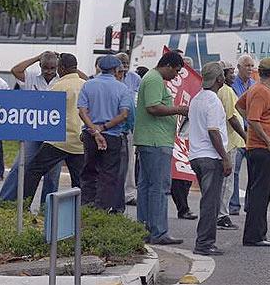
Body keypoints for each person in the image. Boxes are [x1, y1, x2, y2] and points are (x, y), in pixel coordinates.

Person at [134, 51, 188, 245]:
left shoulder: (152, 78)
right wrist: (178, 109)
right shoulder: (155, 79)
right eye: (176, 70)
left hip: (151, 140)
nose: (176, 75)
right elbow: (153, 107)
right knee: (159, 187)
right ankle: (158, 232)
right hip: (155, 141)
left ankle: (145, 228)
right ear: (167, 65)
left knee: (147, 186)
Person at [0, 51, 62, 202]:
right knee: (19, 166)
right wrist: (36, 57)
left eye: (53, 68)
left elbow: (84, 79)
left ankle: (47, 208)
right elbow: (15, 70)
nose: (49, 71)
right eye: (45, 67)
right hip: (33, 131)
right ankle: (5, 200)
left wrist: (63, 60)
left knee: (52, 175)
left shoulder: (62, 79)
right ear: (40, 65)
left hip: (55, 133)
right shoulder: (31, 77)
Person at [23, 54, 85, 200]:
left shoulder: (58, 86)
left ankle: (25, 206)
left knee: (33, 170)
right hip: (80, 141)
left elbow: (49, 113)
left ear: (61, 68)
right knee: (79, 181)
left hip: (59, 140)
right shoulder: (86, 84)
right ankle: (82, 214)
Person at [236, 57, 270, 247]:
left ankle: (259, 233)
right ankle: (254, 235)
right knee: (260, 193)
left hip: (261, 146)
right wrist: (267, 140)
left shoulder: (257, 89)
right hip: (263, 148)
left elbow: (239, 106)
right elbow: (254, 120)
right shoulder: (261, 91)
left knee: (261, 191)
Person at [189, 62, 233, 256]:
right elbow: (213, 132)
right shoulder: (213, 101)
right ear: (219, 80)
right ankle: (205, 243)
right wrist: (225, 157)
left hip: (197, 156)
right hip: (210, 156)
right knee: (210, 203)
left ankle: (204, 241)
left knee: (208, 200)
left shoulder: (196, 99)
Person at [78, 55, 133, 211]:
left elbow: (82, 112)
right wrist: (103, 128)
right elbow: (124, 115)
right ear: (116, 70)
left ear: (99, 68)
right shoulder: (122, 88)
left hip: (90, 135)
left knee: (89, 172)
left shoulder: (88, 85)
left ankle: (86, 208)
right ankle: (102, 211)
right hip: (113, 135)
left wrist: (95, 131)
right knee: (108, 176)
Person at [216, 60, 246, 231]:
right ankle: (222, 215)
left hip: (225, 141)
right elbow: (231, 117)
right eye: (230, 72)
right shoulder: (226, 91)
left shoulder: (220, 90)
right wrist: (245, 135)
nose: (233, 75)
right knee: (227, 183)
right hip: (230, 142)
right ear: (223, 75)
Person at [170, 49, 197, 220]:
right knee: (179, 174)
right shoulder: (170, 86)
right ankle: (183, 207)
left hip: (189, 135)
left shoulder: (195, 87)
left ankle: (184, 205)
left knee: (186, 173)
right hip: (175, 133)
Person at [229, 54, 256, 215]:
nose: (250, 69)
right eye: (247, 66)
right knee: (235, 171)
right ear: (238, 67)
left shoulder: (254, 85)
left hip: (252, 132)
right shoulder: (233, 86)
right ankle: (233, 206)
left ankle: (250, 205)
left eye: (251, 66)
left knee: (254, 171)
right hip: (238, 132)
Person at [116, 53, 141, 206]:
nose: (124, 64)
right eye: (121, 61)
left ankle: (129, 194)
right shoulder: (112, 78)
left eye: (126, 61)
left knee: (130, 161)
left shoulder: (135, 78)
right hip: (113, 126)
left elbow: (137, 101)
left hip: (130, 125)